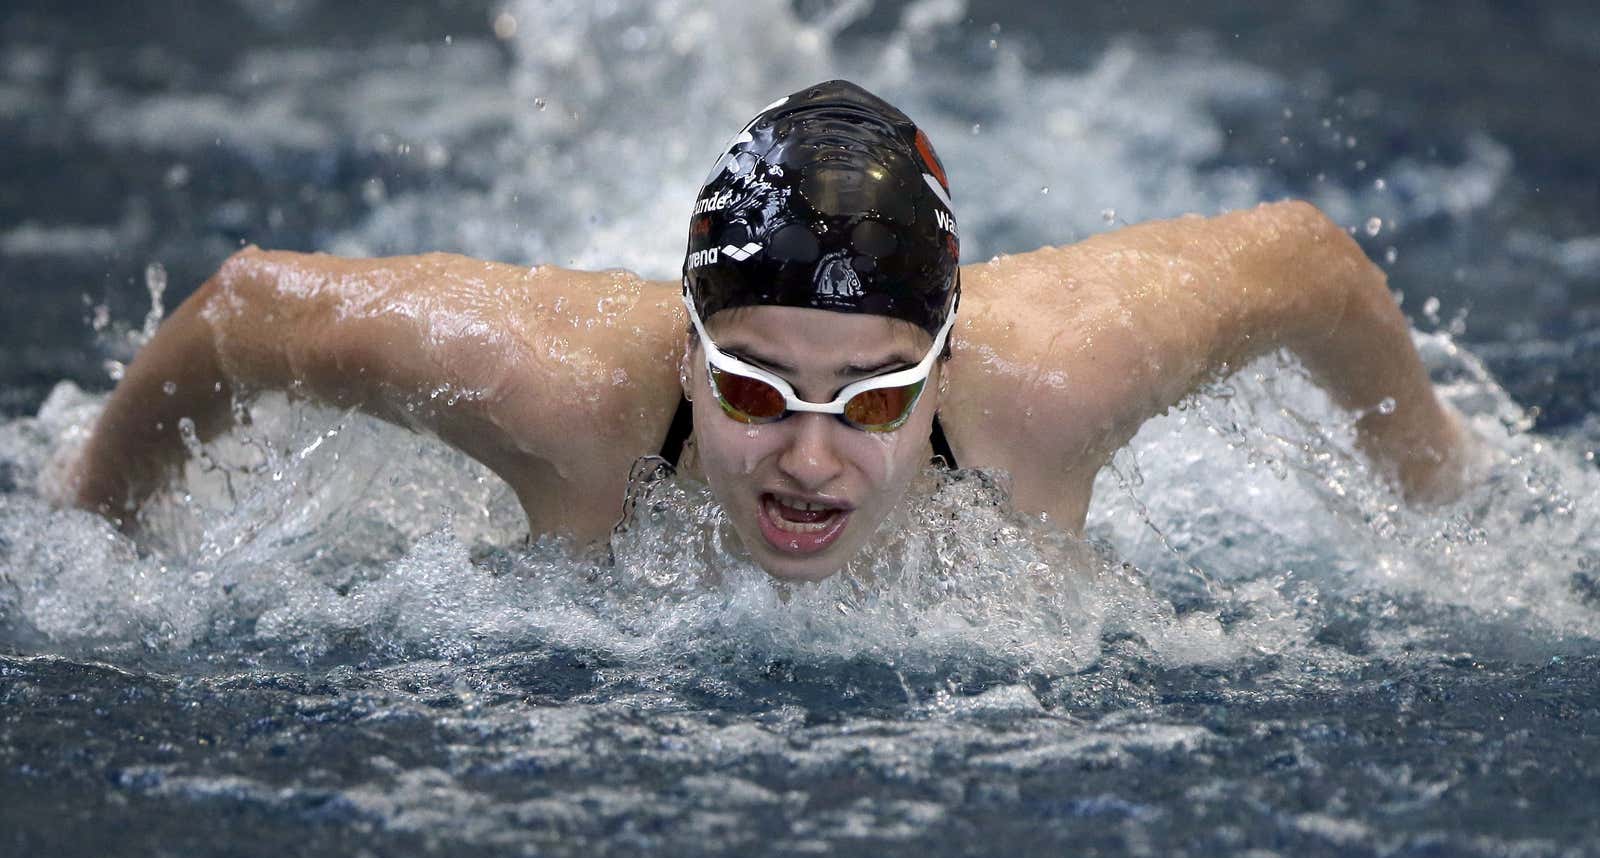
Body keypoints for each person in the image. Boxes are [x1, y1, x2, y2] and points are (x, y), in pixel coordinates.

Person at [69, 80, 1476, 581]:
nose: (809, 458)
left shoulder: (1051, 385)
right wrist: (96, 523)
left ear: (943, 363)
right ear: (686, 350)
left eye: (872, 402)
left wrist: (1434, 489)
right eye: (752, 388)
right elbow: (250, 310)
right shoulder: (562, 401)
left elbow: (1307, 261)